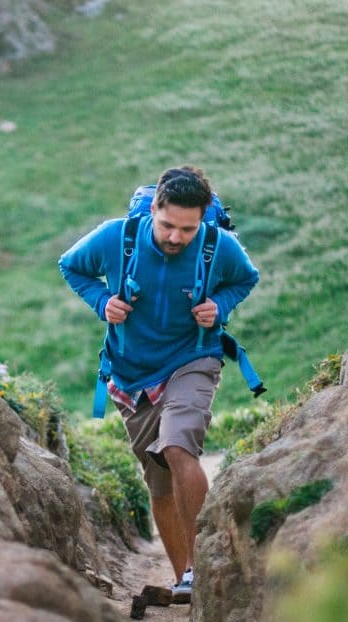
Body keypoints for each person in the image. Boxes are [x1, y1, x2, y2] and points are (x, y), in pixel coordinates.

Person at [59, 165, 260, 596]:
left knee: (177, 444)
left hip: (194, 358)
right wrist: (102, 301)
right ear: (153, 209)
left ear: (202, 218)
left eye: (187, 229)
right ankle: (185, 574)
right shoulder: (118, 237)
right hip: (132, 374)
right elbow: (71, 266)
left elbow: (246, 278)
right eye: (168, 225)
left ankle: (209, 564)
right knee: (159, 482)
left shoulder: (216, 244)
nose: (175, 237)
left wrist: (220, 306)